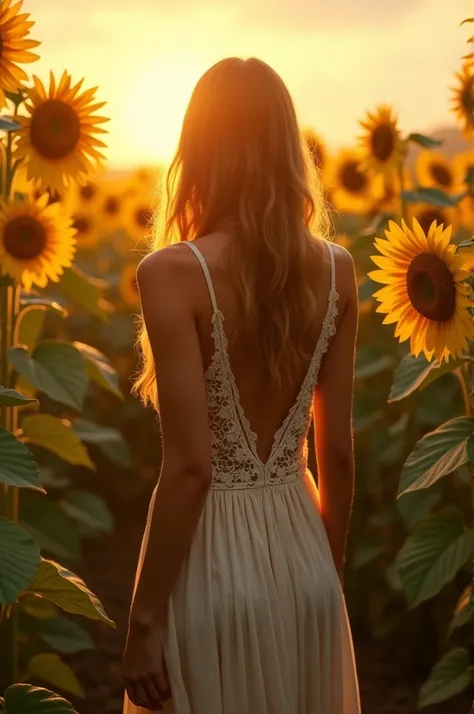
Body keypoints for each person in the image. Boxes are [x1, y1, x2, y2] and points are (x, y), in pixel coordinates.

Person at [122, 56, 360, 714]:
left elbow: (192, 468)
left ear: (197, 148)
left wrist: (143, 623)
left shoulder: (172, 273)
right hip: (304, 557)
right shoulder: (337, 270)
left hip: (211, 566)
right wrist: (325, 574)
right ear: (289, 147)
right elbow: (335, 451)